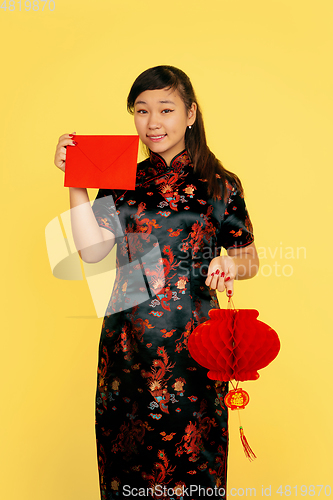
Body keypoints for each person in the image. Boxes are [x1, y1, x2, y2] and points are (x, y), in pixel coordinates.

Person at [54, 65, 259, 500]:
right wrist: (75, 181)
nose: (153, 122)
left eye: (166, 109)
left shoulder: (221, 185)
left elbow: (248, 260)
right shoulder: (120, 178)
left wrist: (228, 265)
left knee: (195, 470)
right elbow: (92, 252)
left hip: (197, 349)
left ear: (190, 114)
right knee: (128, 469)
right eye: (142, 110)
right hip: (126, 348)